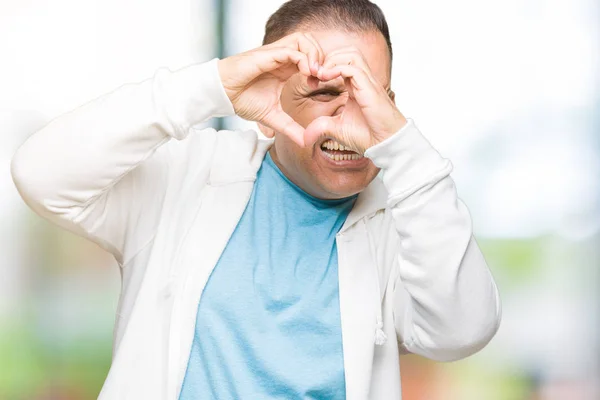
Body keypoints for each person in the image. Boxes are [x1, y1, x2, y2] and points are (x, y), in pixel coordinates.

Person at [10, 0, 502, 399]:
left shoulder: (405, 223)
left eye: (372, 97)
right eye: (322, 93)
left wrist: (404, 148)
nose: (348, 125)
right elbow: (43, 174)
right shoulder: (188, 176)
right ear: (267, 111)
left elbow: (463, 330)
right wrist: (213, 86)